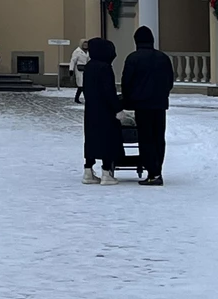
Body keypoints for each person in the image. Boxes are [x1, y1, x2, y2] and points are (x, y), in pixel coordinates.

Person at [120, 25, 175, 186]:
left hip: (142, 105)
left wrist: (128, 99)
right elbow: (169, 81)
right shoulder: (163, 57)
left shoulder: (133, 58)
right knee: (159, 137)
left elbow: (127, 81)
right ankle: (158, 170)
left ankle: (152, 172)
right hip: (160, 104)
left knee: (146, 138)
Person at [81, 37, 123, 183]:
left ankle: (88, 171)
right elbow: (109, 91)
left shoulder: (89, 66)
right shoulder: (105, 67)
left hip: (91, 108)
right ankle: (106, 173)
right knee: (108, 139)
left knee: (91, 139)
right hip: (105, 110)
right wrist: (117, 108)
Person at [68, 39, 89, 104]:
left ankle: (86, 99)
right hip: (79, 69)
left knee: (86, 85)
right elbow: (73, 61)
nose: (85, 45)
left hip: (86, 69)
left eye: (86, 44)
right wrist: (71, 70)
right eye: (84, 44)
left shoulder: (88, 51)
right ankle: (77, 98)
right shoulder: (77, 51)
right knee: (81, 85)